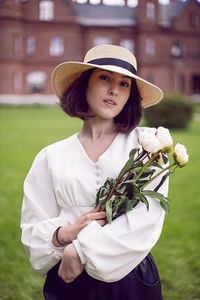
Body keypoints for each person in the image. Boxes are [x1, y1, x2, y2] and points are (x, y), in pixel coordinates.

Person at [21, 44, 168, 300]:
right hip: (68, 278)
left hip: (130, 278)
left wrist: (80, 251)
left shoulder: (148, 146)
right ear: (84, 83)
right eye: (104, 77)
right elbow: (32, 227)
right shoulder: (50, 156)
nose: (114, 89)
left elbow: (147, 219)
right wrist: (62, 235)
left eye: (124, 84)